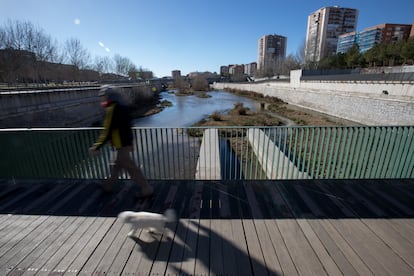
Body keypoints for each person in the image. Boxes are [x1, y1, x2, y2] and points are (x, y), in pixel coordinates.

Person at [89, 85, 154, 198]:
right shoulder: (123, 107)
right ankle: (108, 186)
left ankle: (146, 189)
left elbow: (107, 130)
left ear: (108, 96)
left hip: (120, 145)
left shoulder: (112, 108)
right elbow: (128, 126)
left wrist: (97, 146)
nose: (102, 98)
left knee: (132, 169)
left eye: (102, 96)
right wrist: (131, 143)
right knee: (117, 166)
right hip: (124, 144)